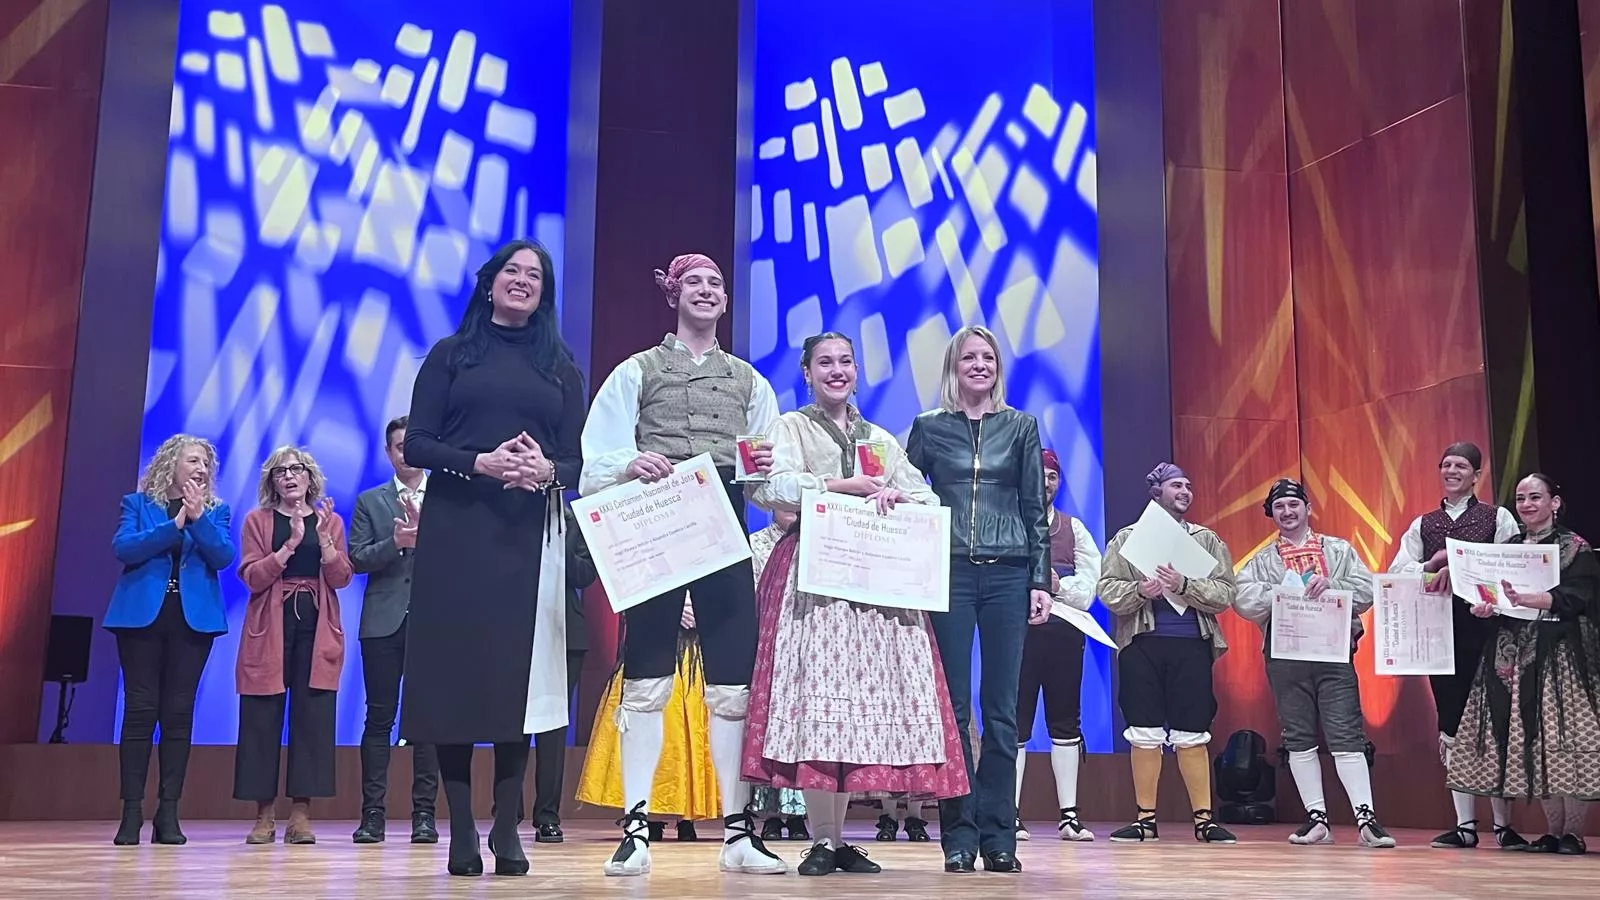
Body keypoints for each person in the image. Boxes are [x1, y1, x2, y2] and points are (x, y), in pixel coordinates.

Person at [579, 252, 783, 877]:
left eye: (715, 284)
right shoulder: (637, 371)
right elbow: (595, 457)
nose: (705, 291)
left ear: (725, 300)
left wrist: (774, 474)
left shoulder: (750, 382)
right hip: (658, 528)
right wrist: (629, 464)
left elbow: (763, 484)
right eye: (693, 282)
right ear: (672, 294)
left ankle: (738, 831)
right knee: (645, 677)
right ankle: (636, 828)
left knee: (731, 684)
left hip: (721, 534)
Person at [745, 331, 971, 877]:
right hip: (813, 580)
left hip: (873, 584)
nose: (837, 370)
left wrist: (896, 495)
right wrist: (835, 485)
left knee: (854, 705)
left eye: (846, 361)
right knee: (822, 701)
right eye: (825, 362)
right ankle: (821, 839)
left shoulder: (879, 440)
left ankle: (839, 839)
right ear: (806, 372)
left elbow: (925, 495)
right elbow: (763, 485)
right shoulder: (792, 427)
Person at [400, 238, 586, 877]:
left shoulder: (561, 366)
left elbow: (576, 464)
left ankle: (508, 827)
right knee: (455, 679)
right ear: (489, 282)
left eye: (536, 275)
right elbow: (418, 444)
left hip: (528, 536)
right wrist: (477, 462)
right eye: (513, 270)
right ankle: (458, 829)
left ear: (546, 293)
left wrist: (545, 469)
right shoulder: (451, 357)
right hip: (457, 533)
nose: (524, 281)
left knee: (519, 685)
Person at [905, 325, 1052, 874]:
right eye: (969, 357)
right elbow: (904, 492)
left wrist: (1041, 580)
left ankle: (1000, 837)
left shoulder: (1021, 427)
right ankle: (958, 837)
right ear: (953, 366)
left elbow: (1035, 509)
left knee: (1003, 712)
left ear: (998, 367)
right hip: (948, 575)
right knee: (955, 710)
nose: (979, 365)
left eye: (988, 357)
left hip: (1010, 575)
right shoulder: (928, 428)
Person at [1236, 478, 1395, 848]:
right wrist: (1280, 592)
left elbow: (1367, 590)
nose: (1287, 512)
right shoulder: (1261, 560)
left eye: (1294, 505)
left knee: (1346, 733)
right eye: (1279, 507)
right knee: (1297, 735)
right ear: (1271, 514)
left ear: (1308, 509)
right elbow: (1242, 598)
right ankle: (1316, 818)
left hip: (1332, 650)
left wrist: (1332, 585)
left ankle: (1366, 819)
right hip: (1285, 652)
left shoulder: (1337, 550)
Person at [1448, 474, 1600, 855]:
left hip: (1560, 656)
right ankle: (1552, 830)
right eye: (1521, 498)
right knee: (1532, 740)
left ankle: (1574, 833)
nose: (1528, 504)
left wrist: (1535, 600)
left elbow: (1578, 598)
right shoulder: (1511, 547)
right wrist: (1486, 606)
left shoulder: (1573, 547)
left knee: (1563, 740)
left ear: (1555, 503)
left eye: (1536, 497)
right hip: (1515, 653)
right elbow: (1499, 599)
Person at [1386, 442, 1521, 849]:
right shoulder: (1423, 524)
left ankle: (1503, 825)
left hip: (1488, 632)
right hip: (1439, 634)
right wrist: (1429, 566)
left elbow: (1512, 567)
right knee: (1452, 724)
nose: (1451, 470)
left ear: (1476, 474)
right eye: (1445, 464)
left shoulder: (1498, 518)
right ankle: (1465, 826)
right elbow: (1397, 571)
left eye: (1460, 465)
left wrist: (1479, 584)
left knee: (1495, 723)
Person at [1098, 463, 1237, 844]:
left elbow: (1226, 593)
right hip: (1141, 645)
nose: (1186, 491)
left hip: (1191, 643)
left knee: (1193, 729)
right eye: (1177, 485)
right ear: (1155, 490)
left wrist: (1185, 584)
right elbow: (1107, 591)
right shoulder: (1127, 539)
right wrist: (1142, 590)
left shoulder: (1207, 540)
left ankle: (1204, 820)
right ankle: (1145, 819)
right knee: (1144, 730)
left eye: (1189, 485)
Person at [106, 435, 234, 846]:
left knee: (178, 715)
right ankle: (130, 814)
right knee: (141, 710)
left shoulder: (216, 511)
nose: (201, 468)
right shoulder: (137, 504)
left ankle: (168, 813)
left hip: (191, 622)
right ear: (172, 465)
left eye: (206, 464)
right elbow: (125, 548)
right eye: (193, 460)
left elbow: (223, 556)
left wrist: (197, 521)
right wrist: (174, 524)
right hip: (141, 619)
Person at [233, 446, 353, 845]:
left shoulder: (329, 520)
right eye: (280, 471)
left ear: (309, 477)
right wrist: (288, 547)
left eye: (296, 469)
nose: (289, 476)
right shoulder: (258, 520)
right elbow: (251, 577)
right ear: (272, 481)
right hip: (270, 624)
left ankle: (301, 814)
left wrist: (325, 543)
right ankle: (263, 815)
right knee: (262, 716)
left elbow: (341, 578)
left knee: (313, 716)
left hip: (316, 624)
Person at [349, 415, 439, 845]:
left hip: (431, 622)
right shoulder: (371, 501)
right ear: (388, 453)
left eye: (412, 445)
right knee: (378, 719)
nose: (405, 453)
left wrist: (429, 539)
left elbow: (464, 557)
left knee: (426, 723)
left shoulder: (445, 497)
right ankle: (372, 816)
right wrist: (398, 543)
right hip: (382, 623)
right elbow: (358, 558)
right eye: (398, 447)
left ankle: (425, 815)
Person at [578, 594, 722, 836]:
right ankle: (649, 813)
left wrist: (705, 609)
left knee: (691, 730)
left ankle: (687, 817)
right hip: (655, 637)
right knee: (659, 727)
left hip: (699, 644)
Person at [1013, 448, 1102, 843]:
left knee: (1066, 723)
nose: (1045, 482)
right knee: (1013, 724)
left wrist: (1058, 586)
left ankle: (1069, 816)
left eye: (1051, 476)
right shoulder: (1009, 524)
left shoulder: (1073, 528)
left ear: (1058, 482)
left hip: (1065, 633)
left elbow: (1090, 584)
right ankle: (1009, 814)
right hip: (1016, 633)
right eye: (1039, 475)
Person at [529, 505, 599, 843]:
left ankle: (547, 815)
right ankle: (506, 806)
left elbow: (586, 574)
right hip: (517, 630)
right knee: (511, 721)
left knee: (554, 726)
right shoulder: (510, 514)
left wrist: (558, 553)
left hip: (565, 632)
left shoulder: (575, 519)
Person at [748, 509, 811, 843]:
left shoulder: (814, 535)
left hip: (803, 633)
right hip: (767, 630)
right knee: (771, 722)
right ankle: (770, 813)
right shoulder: (757, 543)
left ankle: (801, 814)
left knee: (800, 724)